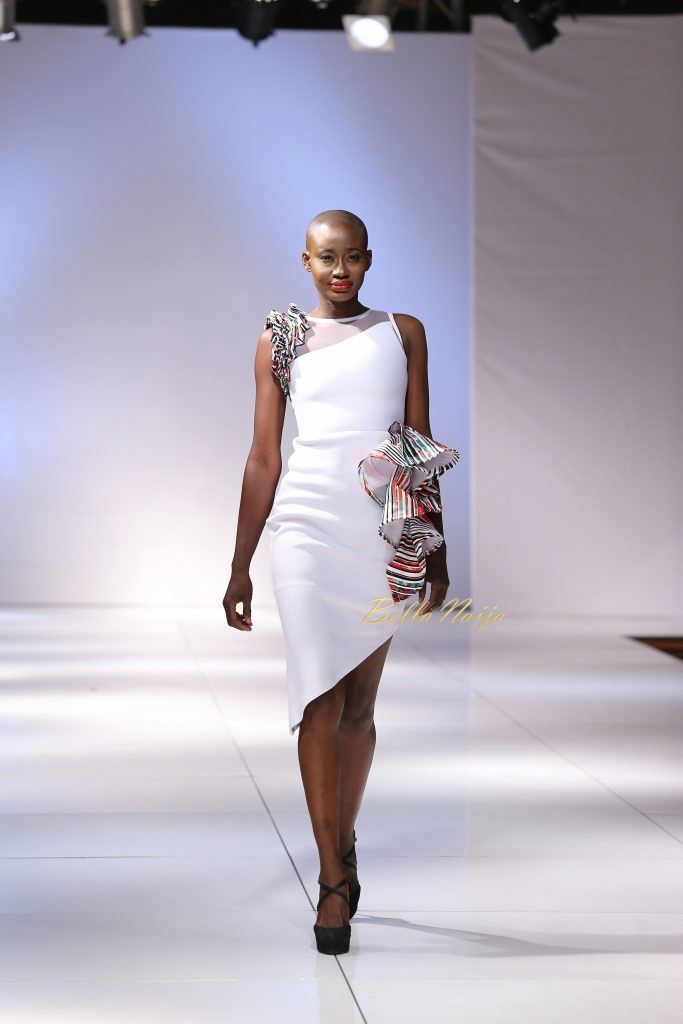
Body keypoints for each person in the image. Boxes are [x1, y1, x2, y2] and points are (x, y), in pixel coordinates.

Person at [223, 209, 458, 954]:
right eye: (327, 257)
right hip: (304, 526)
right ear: (305, 261)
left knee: (358, 707)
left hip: (377, 530)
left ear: (368, 260)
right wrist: (240, 563)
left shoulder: (403, 333)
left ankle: (343, 842)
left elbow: (416, 445)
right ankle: (330, 878)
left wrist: (433, 545)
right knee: (317, 698)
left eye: (352, 257)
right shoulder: (282, 338)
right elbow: (264, 457)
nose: (339, 270)